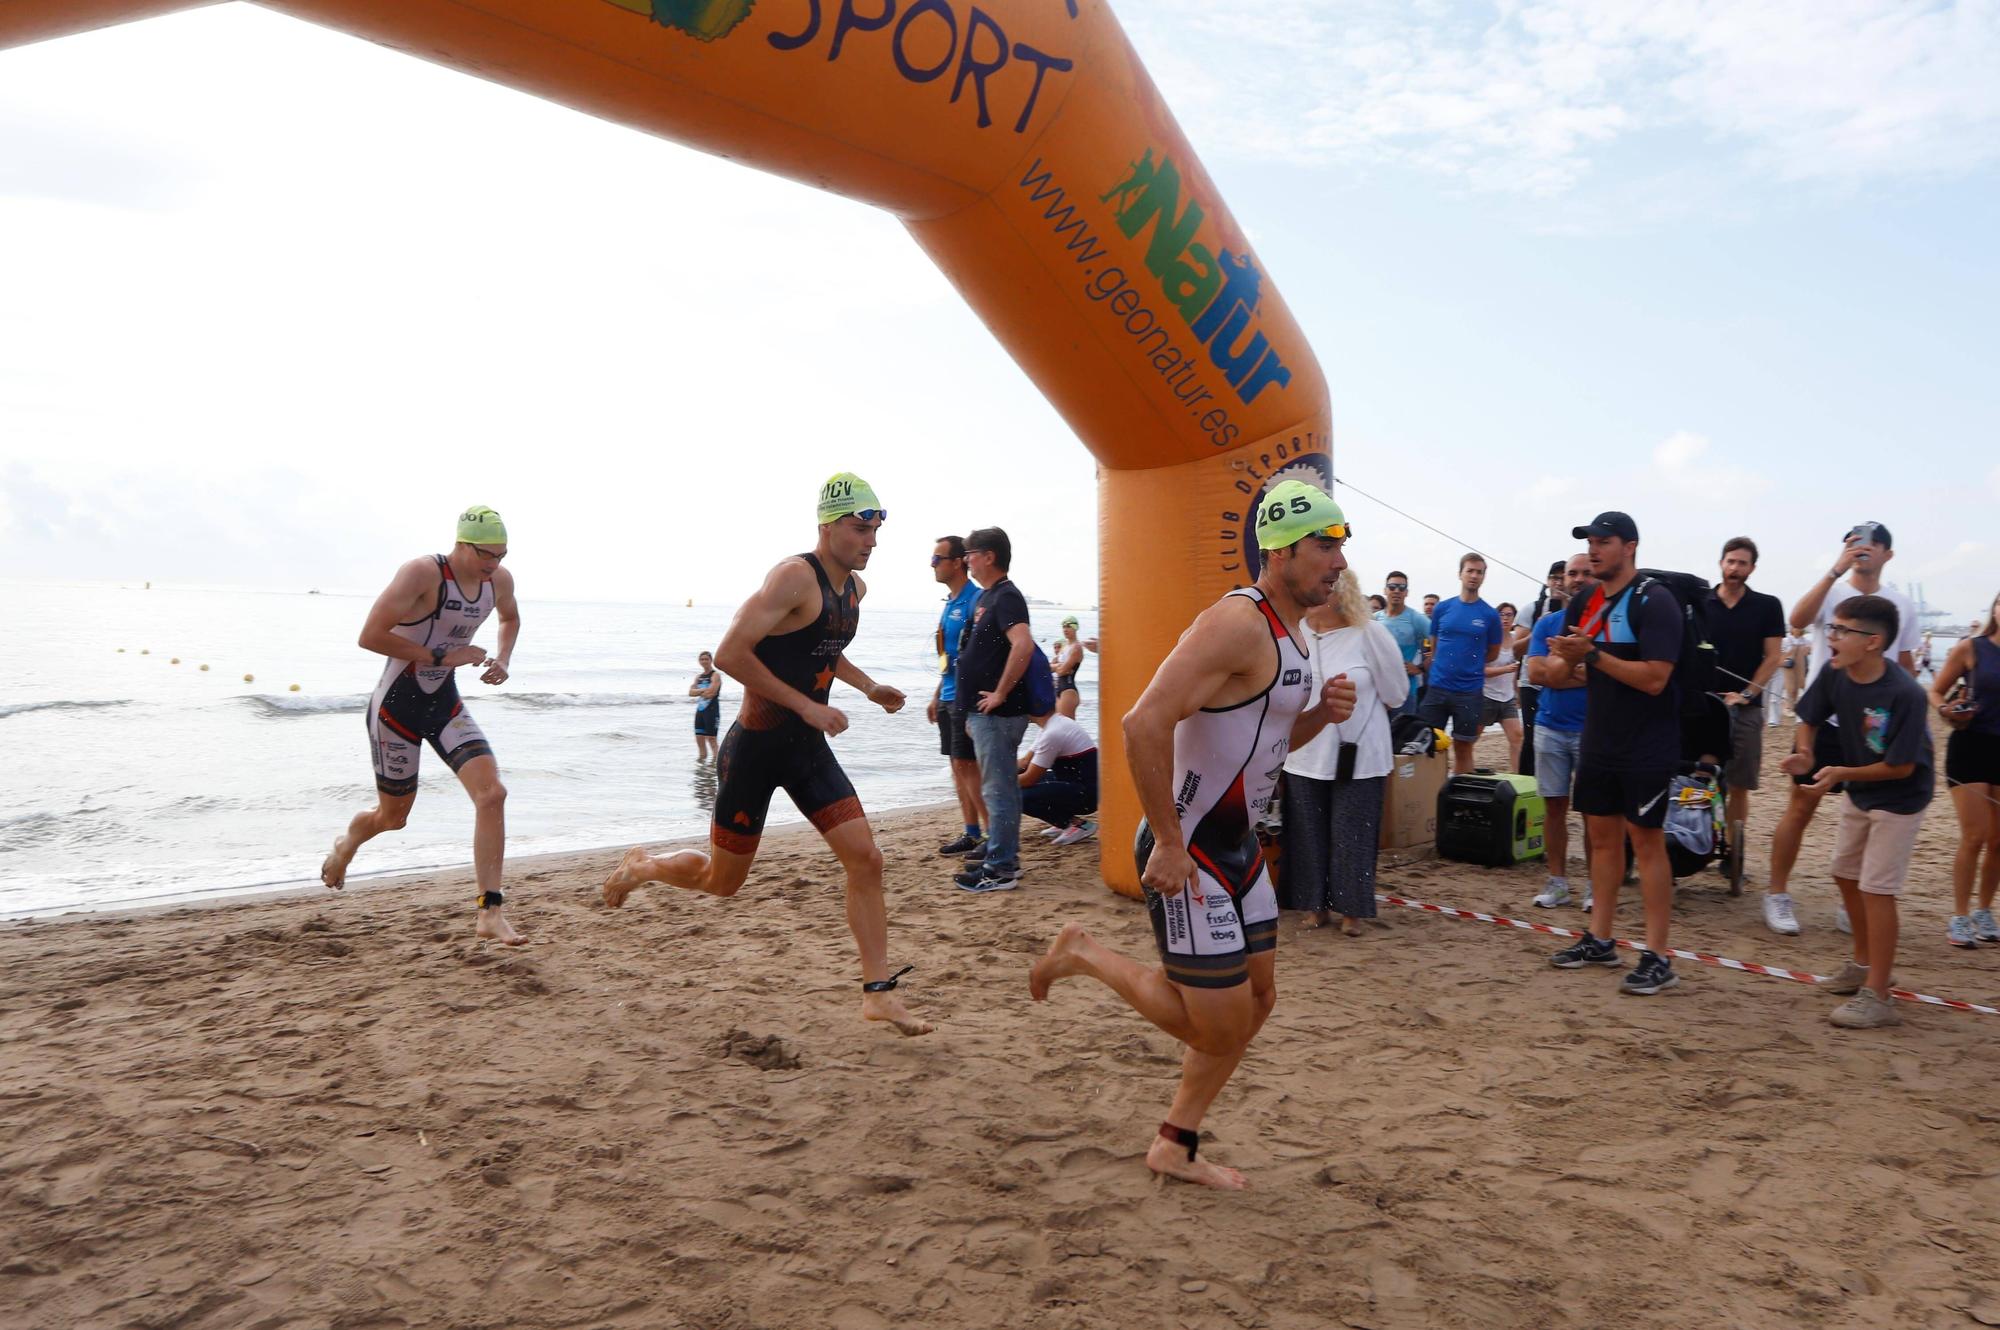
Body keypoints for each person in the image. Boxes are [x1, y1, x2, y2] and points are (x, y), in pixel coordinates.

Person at [1028, 480, 1357, 1189]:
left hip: (1240, 850)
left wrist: (1320, 718)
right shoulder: (1236, 622)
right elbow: (1142, 722)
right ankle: (1082, 952)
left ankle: (1174, 1143)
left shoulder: (1294, 635)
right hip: (1193, 847)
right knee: (1215, 1026)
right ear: (1282, 547)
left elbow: (1263, 741)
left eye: (1340, 547)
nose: (1338, 562)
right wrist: (1172, 845)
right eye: (1326, 546)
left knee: (1257, 1003)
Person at [601, 474, 930, 1037]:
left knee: (866, 859)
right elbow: (730, 653)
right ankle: (643, 867)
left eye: (875, 531)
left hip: (807, 752)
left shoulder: (854, 591)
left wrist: (867, 687)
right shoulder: (792, 577)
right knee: (720, 882)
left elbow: (822, 649)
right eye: (859, 529)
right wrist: (806, 706)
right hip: (754, 752)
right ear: (828, 526)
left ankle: (878, 992)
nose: (869, 542)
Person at [319, 505, 525, 945]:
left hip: (444, 703)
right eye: (487, 554)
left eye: (502, 556)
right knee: (393, 818)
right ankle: (348, 844)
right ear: (461, 544)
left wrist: (503, 659)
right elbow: (370, 634)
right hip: (396, 708)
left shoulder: (499, 582)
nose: (494, 565)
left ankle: (490, 910)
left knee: (493, 794)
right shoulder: (422, 574)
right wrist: (440, 657)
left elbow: (510, 617)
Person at [1546, 512, 1683, 996]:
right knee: (1601, 840)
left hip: (1647, 743)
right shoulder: (1583, 600)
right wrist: (1554, 666)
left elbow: (1655, 679)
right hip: (1598, 737)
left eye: (1604, 542)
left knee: (1646, 844)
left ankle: (1658, 955)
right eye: (1590, 543)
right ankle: (1600, 938)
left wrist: (1593, 657)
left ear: (1630, 547)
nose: (1594, 551)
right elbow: (1567, 671)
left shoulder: (1655, 601)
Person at [1763, 523, 1922, 936]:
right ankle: (1777, 893)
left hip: (1874, 724)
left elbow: (1904, 663)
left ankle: (1850, 905)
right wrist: (1835, 571)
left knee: (1870, 815)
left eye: (1869, 545)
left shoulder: (1899, 604)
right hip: (1823, 718)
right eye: (1852, 544)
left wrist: (1911, 720)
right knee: (1800, 807)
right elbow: (1795, 623)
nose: (1860, 550)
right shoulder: (1832, 593)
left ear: (1887, 553)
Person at [1786, 594, 1934, 1028]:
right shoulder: (1836, 673)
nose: (1830, 637)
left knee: (1877, 889)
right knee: (1844, 874)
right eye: (1831, 628)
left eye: (1840, 630)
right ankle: (1864, 965)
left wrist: (1839, 772)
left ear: (1872, 642)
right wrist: (1806, 753)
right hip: (1859, 788)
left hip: (1901, 797)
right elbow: (1808, 716)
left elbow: (1902, 766)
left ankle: (1879, 996)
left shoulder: (1905, 693)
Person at [1281, 568, 1406, 935]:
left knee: (1353, 834)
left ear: (1343, 592)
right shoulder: (1293, 633)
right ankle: (1315, 906)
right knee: (1307, 832)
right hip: (1304, 753)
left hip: (1361, 753)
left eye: (1329, 586)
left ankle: (1352, 910)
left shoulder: (1370, 634)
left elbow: (1397, 693)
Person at [954, 527, 1037, 893]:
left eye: (970, 553)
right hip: (985, 714)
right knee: (1002, 790)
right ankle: (1003, 859)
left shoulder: (1007, 596)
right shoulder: (990, 597)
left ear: (989, 556)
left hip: (999, 715)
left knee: (999, 791)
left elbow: (1023, 644)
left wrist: (1000, 693)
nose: (966, 559)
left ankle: (1000, 869)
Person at [1705, 538, 1785, 877]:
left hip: (1747, 708)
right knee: (1698, 775)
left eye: (1742, 563)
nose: (1735, 568)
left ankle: (1732, 854)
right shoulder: (1700, 602)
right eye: (1730, 561)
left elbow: (1773, 658)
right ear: (1721, 562)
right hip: (1704, 705)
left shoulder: (1767, 606)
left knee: (1739, 783)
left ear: (1752, 568)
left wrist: (1748, 694)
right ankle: (1695, 838)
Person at [1928, 592, 2000, 947]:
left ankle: (1984, 911)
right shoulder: (1972, 647)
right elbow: (1936, 691)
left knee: (1998, 841)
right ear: (1996, 609)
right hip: (1971, 745)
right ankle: (1959, 916)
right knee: (1975, 836)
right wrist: (1946, 711)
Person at [1527, 553, 1594, 909]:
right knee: (1554, 807)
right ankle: (1557, 882)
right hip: (1549, 727)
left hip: (1592, 730)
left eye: (1586, 572)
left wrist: (1560, 670)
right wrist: (1582, 670)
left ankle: (1593, 887)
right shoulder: (1547, 624)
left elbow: (1608, 677)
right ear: (1562, 579)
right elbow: (1537, 675)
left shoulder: (1607, 626)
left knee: (1592, 812)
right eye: (1572, 573)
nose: (1578, 578)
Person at [926, 534, 986, 857]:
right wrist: (937, 696)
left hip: (967, 699)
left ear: (959, 561)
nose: (932, 565)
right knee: (957, 766)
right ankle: (972, 832)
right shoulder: (950, 602)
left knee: (969, 766)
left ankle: (992, 836)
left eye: (937, 559)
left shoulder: (976, 599)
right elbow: (949, 658)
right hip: (949, 695)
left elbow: (980, 655)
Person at [1417, 554, 1503, 775]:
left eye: (1479, 572)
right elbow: (1435, 645)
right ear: (1460, 573)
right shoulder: (1442, 608)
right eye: (1470, 571)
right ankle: (1429, 795)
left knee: (1464, 746)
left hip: (1469, 691)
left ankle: (1459, 797)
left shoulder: (1490, 615)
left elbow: (1492, 653)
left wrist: (1468, 665)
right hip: (1437, 688)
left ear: (1484, 577)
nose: (1474, 576)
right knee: (1428, 743)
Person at [1519, 560, 1571, 781]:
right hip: (1532, 684)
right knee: (1531, 739)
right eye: (1554, 578)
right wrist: (1538, 629)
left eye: (1562, 577)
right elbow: (1514, 649)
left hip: (1565, 683)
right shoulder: (1533, 609)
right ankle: (1527, 784)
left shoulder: (1580, 612)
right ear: (1548, 581)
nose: (1558, 582)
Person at [1019, 709, 1098, 845]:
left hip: (1088, 795)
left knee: (1017, 796)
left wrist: (998, 782)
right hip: (1076, 782)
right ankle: (1063, 820)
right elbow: (1025, 762)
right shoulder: (1053, 723)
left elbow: (1029, 778)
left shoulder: (1052, 733)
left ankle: (1076, 824)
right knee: (1019, 785)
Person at [1377, 571, 1429, 720]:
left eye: (1401, 587)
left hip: (1405, 692)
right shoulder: (1375, 619)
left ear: (1406, 592)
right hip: (1378, 691)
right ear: (1385, 590)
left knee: (1402, 739)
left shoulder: (1416, 618)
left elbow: (1440, 642)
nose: (1396, 591)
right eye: (1392, 587)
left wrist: (1421, 668)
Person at [1481, 602, 1525, 772]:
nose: (1505, 618)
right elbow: (1480, 670)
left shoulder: (1516, 640)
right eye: (1501, 614)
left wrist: (1517, 693)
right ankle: (1461, 772)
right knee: (1471, 738)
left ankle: (1516, 776)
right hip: (1486, 696)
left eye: (1509, 615)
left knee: (1517, 737)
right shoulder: (1488, 640)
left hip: (1507, 698)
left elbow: (1514, 672)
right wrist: (1504, 669)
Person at [690, 650, 723, 762]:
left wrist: (698, 691)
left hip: (712, 710)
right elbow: (690, 692)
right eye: (702, 659)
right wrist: (704, 690)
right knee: (699, 739)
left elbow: (712, 693)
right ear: (699, 661)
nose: (704, 661)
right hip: (700, 711)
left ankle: (715, 763)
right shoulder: (698, 677)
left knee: (712, 739)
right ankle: (702, 763)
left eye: (706, 659)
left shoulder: (715, 675)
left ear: (711, 660)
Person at [1053, 616, 1086, 720]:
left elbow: (1061, 671)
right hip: (1059, 688)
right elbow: (1050, 666)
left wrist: (1059, 668)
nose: (1065, 629)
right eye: (1063, 627)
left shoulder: (1077, 647)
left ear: (1075, 628)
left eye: (1068, 627)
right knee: (1059, 726)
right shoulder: (1065, 646)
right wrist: (1058, 667)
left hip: (1068, 690)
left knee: (1067, 728)